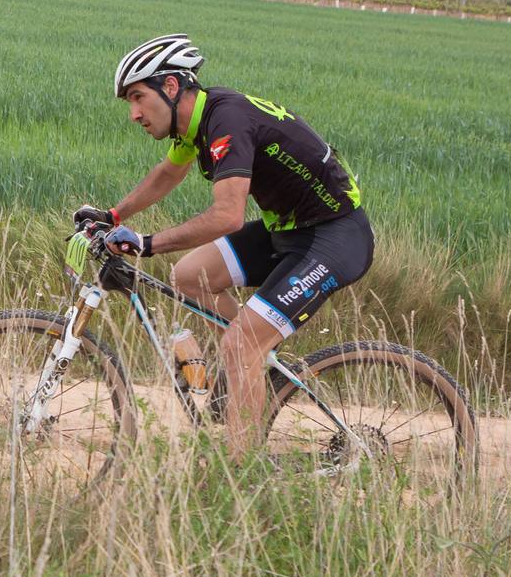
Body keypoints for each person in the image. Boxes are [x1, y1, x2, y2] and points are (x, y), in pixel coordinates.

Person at [76, 33, 371, 452]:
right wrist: (113, 216)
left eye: (139, 97)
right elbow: (168, 174)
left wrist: (146, 242)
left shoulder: (226, 120)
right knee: (189, 276)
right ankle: (253, 373)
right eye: (130, 103)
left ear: (172, 87)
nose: (134, 113)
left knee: (241, 345)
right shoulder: (193, 122)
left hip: (335, 237)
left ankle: (242, 472)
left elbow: (227, 217)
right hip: (287, 231)